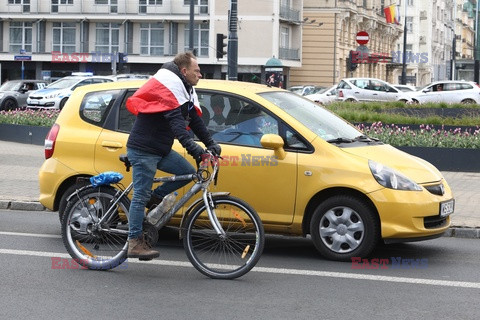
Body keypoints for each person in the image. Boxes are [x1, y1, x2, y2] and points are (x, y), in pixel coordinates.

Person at [125, 52, 221, 260]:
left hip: (160, 149)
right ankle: (134, 241)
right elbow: (178, 126)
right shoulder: (167, 89)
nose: (200, 75)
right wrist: (194, 148)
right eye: (197, 71)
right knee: (139, 196)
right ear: (184, 71)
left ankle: (155, 197)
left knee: (187, 172)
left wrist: (210, 142)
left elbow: (194, 120)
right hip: (144, 150)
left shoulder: (184, 89)